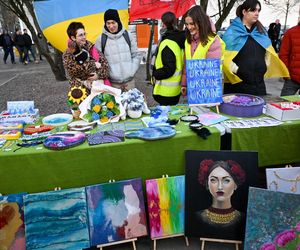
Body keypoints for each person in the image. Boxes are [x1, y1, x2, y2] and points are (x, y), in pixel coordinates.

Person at [222, 0, 289, 96]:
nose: (257, 13)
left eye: (258, 10)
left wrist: (264, 66)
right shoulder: (232, 32)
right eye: (253, 10)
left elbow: (268, 52)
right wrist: (239, 70)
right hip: (238, 85)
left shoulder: (261, 32)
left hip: (259, 84)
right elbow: (225, 57)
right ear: (244, 12)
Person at [195, 159, 246, 240]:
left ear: (235, 185)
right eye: (213, 180)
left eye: (226, 180)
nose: (220, 187)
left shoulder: (243, 218)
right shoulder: (197, 217)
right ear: (207, 184)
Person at [180, 5, 224, 97]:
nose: (189, 27)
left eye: (192, 24)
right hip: (193, 91)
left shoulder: (213, 41)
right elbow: (186, 65)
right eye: (187, 24)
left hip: (207, 93)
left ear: (200, 22)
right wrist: (184, 84)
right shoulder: (188, 41)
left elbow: (212, 71)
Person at [95, 9, 142, 91]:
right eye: (108, 23)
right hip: (112, 84)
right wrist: (109, 74)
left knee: (131, 103)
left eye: (113, 22)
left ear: (118, 22)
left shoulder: (127, 35)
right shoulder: (101, 39)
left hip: (129, 82)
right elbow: (98, 61)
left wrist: (132, 70)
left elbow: (136, 55)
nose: (111, 26)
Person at [62, 22, 109, 97]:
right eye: (81, 35)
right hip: (80, 93)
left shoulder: (92, 48)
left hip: (98, 92)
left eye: (84, 34)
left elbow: (105, 66)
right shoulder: (68, 54)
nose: (84, 37)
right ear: (73, 37)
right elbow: (75, 71)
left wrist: (98, 75)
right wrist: (93, 64)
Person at [151, 11, 185, 106]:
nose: (161, 26)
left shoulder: (168, 42)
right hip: (174, 90)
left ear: (164, 24)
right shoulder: (177, 39)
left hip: (165, 92)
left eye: (162, 23)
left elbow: (169, 69)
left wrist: (155, 74)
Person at [279, 20, 300, 96]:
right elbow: (283, 55)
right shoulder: (290, 32)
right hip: (292, 78)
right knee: (283, 103)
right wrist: (286, 74)